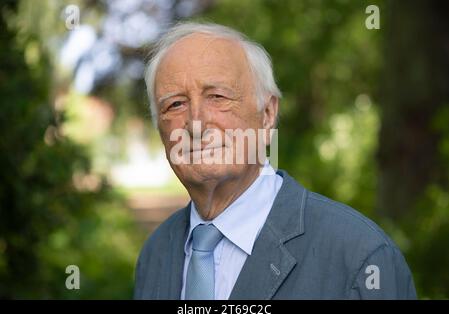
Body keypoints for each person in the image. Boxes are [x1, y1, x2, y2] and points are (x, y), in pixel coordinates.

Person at [134, 22, 417, 299]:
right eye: (175, 104)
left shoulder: (360, 257)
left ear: (267, 115)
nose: (196, 124)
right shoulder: (157, 252)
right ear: (160, 129)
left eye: (217, 96)